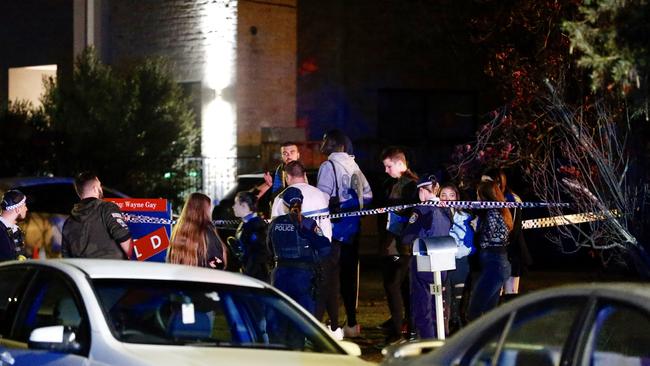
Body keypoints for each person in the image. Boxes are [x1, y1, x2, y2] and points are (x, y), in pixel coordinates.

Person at [269, 160, 339, 336]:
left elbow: (272, 236)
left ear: (287, 176)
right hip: (315, 258)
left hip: (285, 265)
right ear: (305, 174)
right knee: (316, 299)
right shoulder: (319, 194)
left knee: (285, 309)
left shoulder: (280, 199)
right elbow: (325, 230)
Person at [317, 129, 372, 338]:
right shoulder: (354, 165)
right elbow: (368, 195)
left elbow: (322, 197)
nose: (321, 143)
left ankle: (331, 327)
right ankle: (352, 323)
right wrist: (352, 206)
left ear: (331, 143)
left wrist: (338, 206)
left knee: (329, 278)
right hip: (353, 229)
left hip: (334, 229)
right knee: (350, 277)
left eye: (324, 140)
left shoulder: (328, 166)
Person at [401, 174, 452, 339]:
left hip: (423, 264)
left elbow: (407, 236)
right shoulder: (445, 209)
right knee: (437, 303)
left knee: (423, 307)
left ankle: (428, 345)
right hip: (442, 266)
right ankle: (440, 339)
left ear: (422, 191)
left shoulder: (421, 209)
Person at [268, 187, 331, 315]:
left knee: (280, 319)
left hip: (280, 277)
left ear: (285, 206)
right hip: (304, 278)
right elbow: (325, 249)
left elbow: (269, 249)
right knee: (303, 320)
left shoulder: (274, 224)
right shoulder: (308, 224)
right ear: (301, 204)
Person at [378, 146, 418, 343]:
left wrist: (399, 240)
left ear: (401, 164)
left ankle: (397, 330)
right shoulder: (394, 184)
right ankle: (405, 326)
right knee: (400, 286)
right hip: (394, 245)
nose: (386, 170)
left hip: (403, 247)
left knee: (393, 284)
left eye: (389, 166)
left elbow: (410, 216)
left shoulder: (410, 185)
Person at [467, 180, 513, 320]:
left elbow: (485, 240)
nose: (476, 198)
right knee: (489, 312)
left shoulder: (493, 212)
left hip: (495, 263)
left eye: (478, 194)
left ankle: (473, 339)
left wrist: (475, 228)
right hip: (498, 263)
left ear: (485, 195)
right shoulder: (501, 211)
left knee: (475, 308)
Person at [482, 169, 531, 296]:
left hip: (511, 252)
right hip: (498, 253)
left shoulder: (512, 200)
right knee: (494, 293)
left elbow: (513, 229)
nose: (482, 186)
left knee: (511, 293)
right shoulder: (489, 203)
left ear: (498, 183)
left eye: (486, 182)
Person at [62, 172, 132, 259]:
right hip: (112, 270)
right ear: (95, 189)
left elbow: (66, 256)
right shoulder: (106, 208)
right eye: (100, 185)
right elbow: (124, 239)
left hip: (85, 271)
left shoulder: (68, 222)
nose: (101, 188)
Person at [439, 183, 475, 333]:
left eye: (451, 195)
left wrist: (451, 252)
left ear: (457, 198)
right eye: (443, 195)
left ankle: (460, 328)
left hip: (460, 263)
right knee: (444, 299)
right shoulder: (436, 216)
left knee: (458, 299)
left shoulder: (465, 218)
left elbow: (468, 246)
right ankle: (446, 331)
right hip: (442, 264)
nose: (447, 199)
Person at [168, 192, 227, 269]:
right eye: (209, 208)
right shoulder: (206, 231)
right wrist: (221, 265)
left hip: (181, 275)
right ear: (204, 209)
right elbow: (214, 259)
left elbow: (170, 257)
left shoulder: (178, 230)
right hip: (203, 277)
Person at [230, 191, 271, 281]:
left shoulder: (257, 226)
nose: (233, 207)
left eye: (236, 204)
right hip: (248, 274)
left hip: (256, 277)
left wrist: (248, 272)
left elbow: (260, 254)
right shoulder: (245, 223)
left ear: (244, 205)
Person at [0, 190, 28, 261]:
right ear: (17, 209)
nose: (26, 209)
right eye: (24, 205)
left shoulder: (16, 230)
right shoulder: (1, 231)